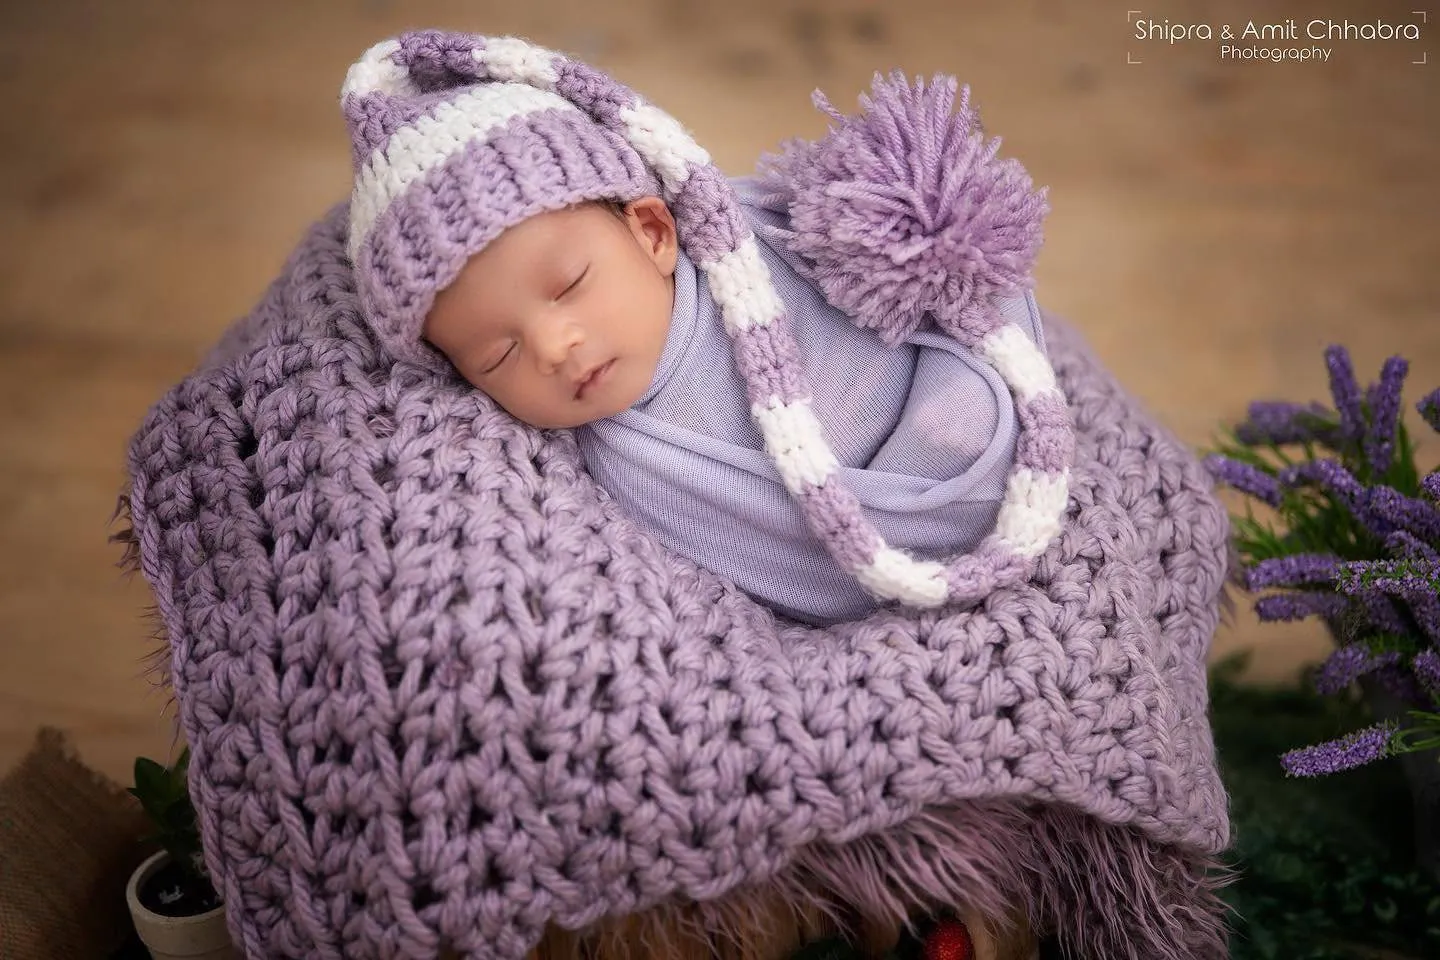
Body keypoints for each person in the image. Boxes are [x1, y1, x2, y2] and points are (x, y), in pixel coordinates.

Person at [345, 30, 1070, 624]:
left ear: (654, 232)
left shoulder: (762, 241)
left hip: (970, 434)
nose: (552, 347)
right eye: (495, 355)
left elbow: (932, 281)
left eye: (569, 286)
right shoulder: (614, 462)